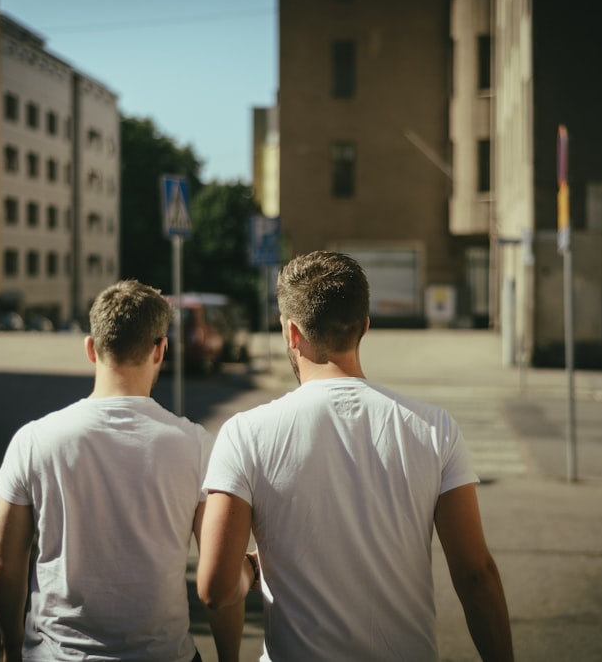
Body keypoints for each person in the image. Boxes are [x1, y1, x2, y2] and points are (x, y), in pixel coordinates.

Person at [197, 251, 514, 661]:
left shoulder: (245, 434)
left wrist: (254, 570)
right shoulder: (435, 428)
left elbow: (216, 590)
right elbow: (475, 576)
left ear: (292, 333)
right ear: (364, 327)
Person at [0, 279, 242, 662]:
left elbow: (3, 567)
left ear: (91, 348)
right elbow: (219, 576)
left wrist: (10, 647)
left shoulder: (34, 440)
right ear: (161, 350)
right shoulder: (195, 445)